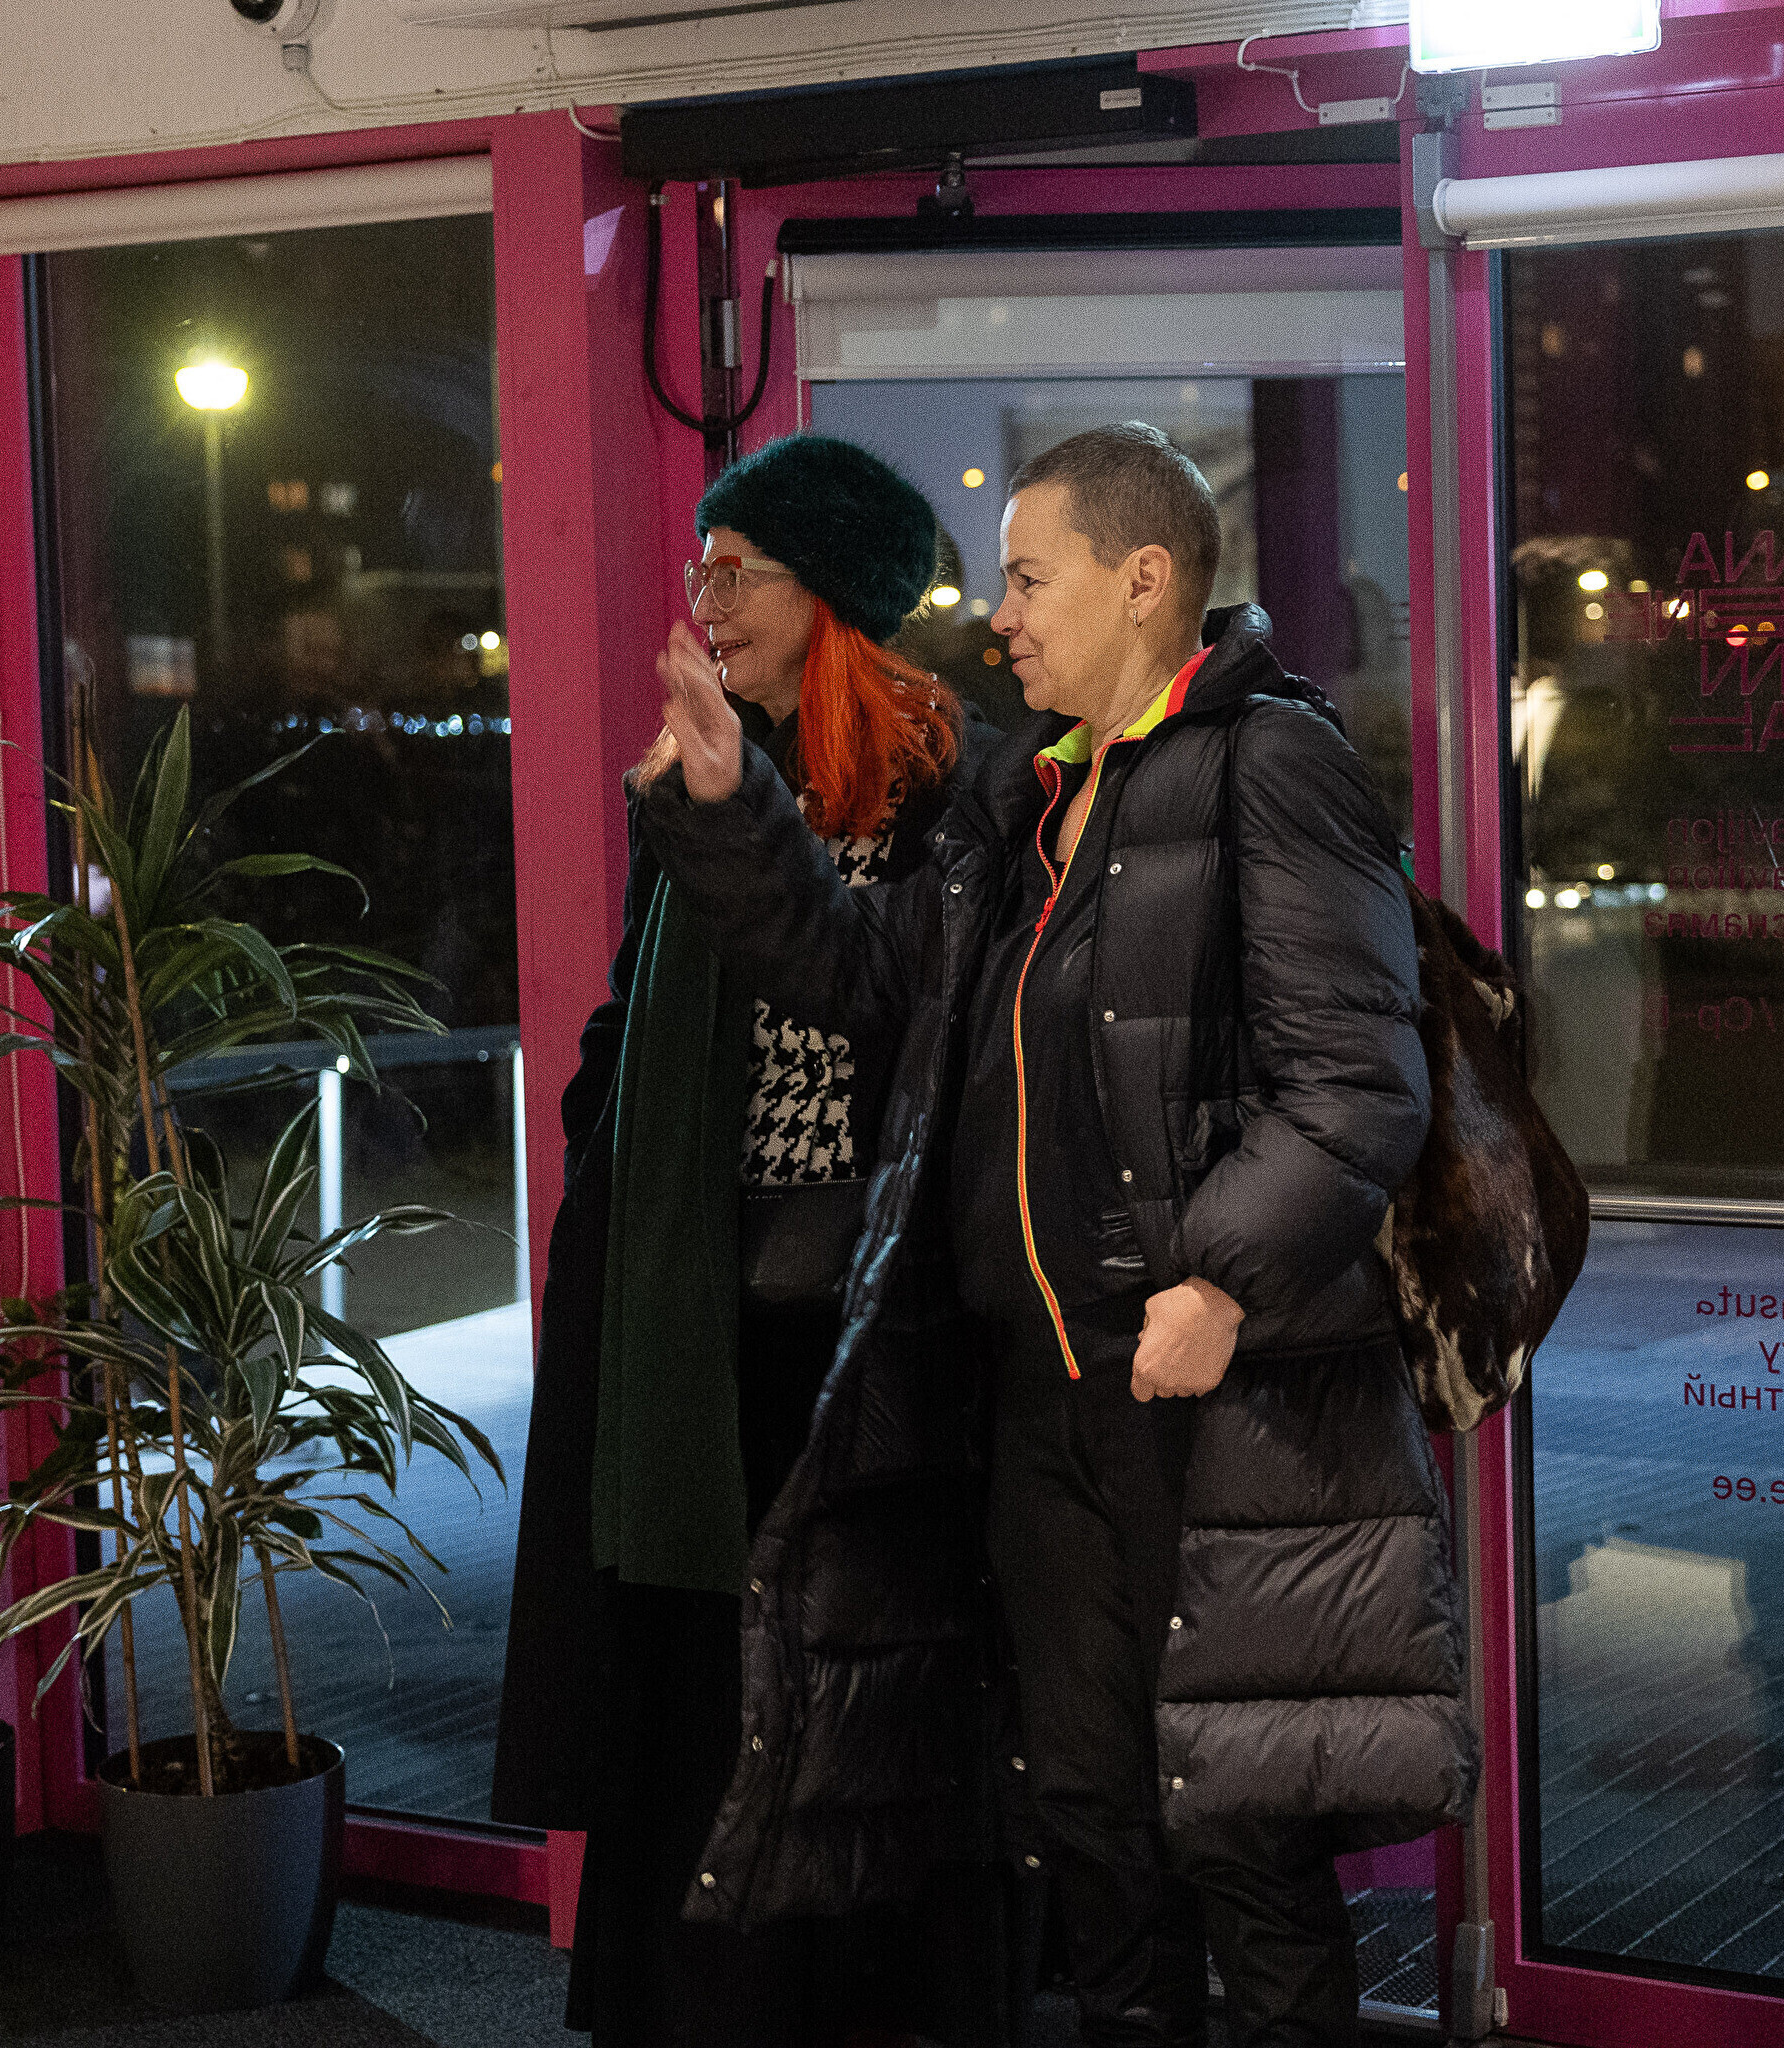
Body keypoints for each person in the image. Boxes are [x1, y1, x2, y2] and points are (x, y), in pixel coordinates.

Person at [637, 422, 1473, 2047]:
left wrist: (1220, 1282)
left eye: (1030, 579)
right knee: (1093, 1824)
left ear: (1143, 580)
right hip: (1039, 1405)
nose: (1001, 615)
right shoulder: (1022, 799)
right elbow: (867, 981)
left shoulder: (1270, 763)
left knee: (1245, 1835)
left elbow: (1360, 1086)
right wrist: (736, 814)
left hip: (1212, 1402)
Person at [492, 433, 1003, 2048]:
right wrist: (609, 1149)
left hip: (852, 1337)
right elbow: (631, 1014)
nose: (705, 598)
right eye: (700, 565)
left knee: (827, 1696)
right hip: (696, 1316)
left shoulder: (948, 787)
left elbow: (901, 1022)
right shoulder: (706, 761)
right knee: (693, 1688)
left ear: (831, 594)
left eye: (739, 570)